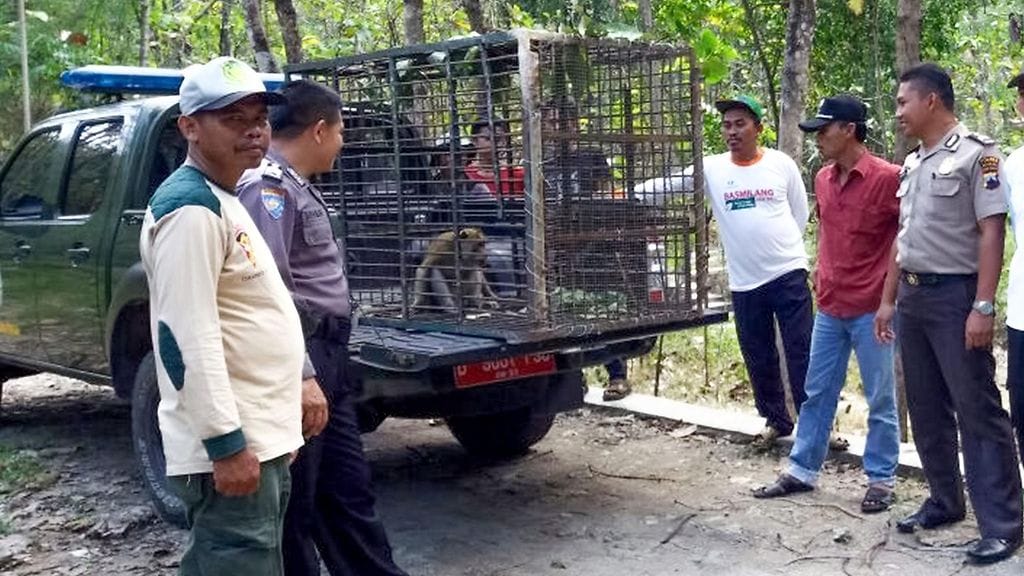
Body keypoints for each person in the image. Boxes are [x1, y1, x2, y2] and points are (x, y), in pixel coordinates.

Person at [237, 80, 408, 576]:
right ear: (318, 130)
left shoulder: (294, 184)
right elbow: (266, 291)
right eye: (341, 131)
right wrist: (301, 373)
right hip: (301, 356)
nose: (342, 142)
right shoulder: (266, 189)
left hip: (328, 355)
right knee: (297, 500)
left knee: (346, 490)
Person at [139, 56, 303, 575]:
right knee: (236, 560)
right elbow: (185, 338)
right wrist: (226, 444)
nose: (254, 130)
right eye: (234, 119)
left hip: (257, 434)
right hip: (232, 441)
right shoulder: (191, 209)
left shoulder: (222, 198)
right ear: (189, 127)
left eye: (260, 118)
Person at [874, 62, 1022, 564]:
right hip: (913, 298)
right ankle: (944, 500)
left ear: (931, 100)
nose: (898, 111)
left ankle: (1002, 525)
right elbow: (902, 239)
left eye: (903, 102)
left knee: (976, 409)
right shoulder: (914, 162)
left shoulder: (978, 155)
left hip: (956, 298)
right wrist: (889, 300)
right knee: (926, 406)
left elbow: (991, 232)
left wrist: (983, 304)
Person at [753, 95, 901, 512]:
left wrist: (890, 299)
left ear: (849, 130)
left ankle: (881, 479)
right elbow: (828, 230)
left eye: (824, 129)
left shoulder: (889, 178)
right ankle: (802, 469)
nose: (818, 138)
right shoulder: (822, 178)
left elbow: (904, 240)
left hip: (873, 308)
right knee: (816, 392)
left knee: (880, 398)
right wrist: (821, 267)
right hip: (831, 306)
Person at [703, 95, 812, 446]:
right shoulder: (712, 168)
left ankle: (817, 424)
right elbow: (670, 183)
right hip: (744, 280)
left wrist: (783, 252)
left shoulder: (780, 164)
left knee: (801, 350)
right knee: (758, 353)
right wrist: (625, 194)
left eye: (740, 124)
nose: (732, 131)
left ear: (758, 128)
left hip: (788, 272)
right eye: (727, 125)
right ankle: (776, 420)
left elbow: (799, 212)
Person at [540, 99, 631, 401]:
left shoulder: (591, 156)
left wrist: (603, 226)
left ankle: (617, 375)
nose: (558, 128)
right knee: (565, 311)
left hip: (593, 242)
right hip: (559, 247)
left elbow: (606, 194)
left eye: (563, 122)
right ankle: (575, 378)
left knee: (602, 311)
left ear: (575, 124)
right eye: (552, 123)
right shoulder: (545, 164)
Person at [464, 118, 525, 197]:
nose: (497, 144)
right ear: (474, 141)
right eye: (488, 138)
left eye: (499, 139)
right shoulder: (465, 174)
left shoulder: (518, 175)